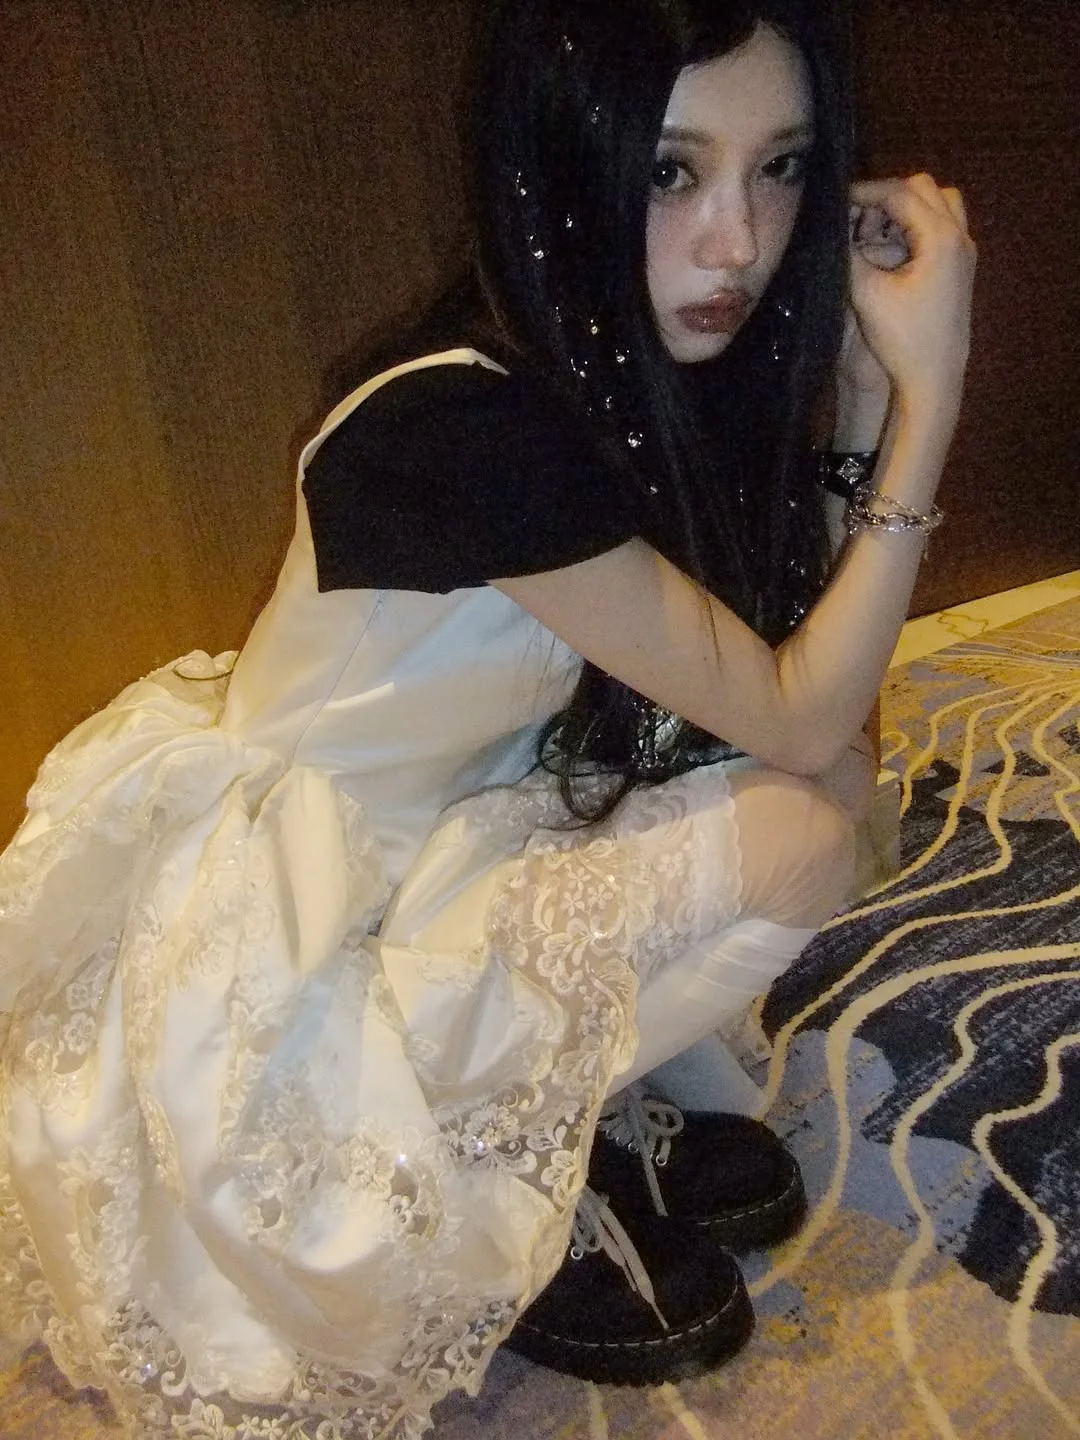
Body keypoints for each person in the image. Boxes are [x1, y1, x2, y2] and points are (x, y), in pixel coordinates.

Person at [0, 0, 974, 1435]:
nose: (736, 242)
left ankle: (545, 1109)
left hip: (456, 839)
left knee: (815, 798)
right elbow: (801, 715)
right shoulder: (464, 428)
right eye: (671, 170)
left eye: (781, 169)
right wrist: (928, 397)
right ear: (560, 160)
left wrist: (850, 382)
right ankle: (487, 1165)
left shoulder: (628, 365)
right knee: (803, 824)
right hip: (302, 937)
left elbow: (808, 679)